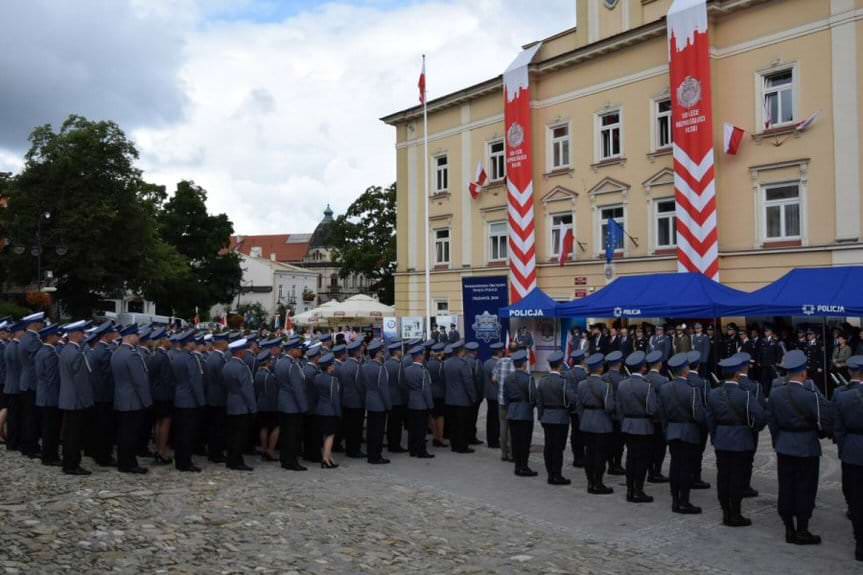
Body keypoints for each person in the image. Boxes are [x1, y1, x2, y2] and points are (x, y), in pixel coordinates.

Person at [767, 349, 833, 545]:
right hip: (806, 445)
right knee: (806, 487)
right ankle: (802, 529)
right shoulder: (810, 394)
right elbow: (825, 419)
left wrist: (778, 440)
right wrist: (821, 433)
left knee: (786, 487)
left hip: (784, 445)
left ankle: (788, 528)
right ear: (803, 372)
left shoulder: (775, 393)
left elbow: (772, 422)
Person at [706, 355, 767, 527]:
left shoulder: (713, 393)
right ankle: (736, 513)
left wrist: (715, 435)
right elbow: (760, 417)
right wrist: (753, 428)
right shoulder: (745, 394)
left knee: (723, 477)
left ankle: (726, 513)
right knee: (737, 478)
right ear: (737, 374)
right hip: (741, 439)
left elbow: (709, 419)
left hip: (722, 439)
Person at [659, 353, 706, 514]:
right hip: (688, 432)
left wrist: (666, 429)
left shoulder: (664, 388)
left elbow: (662, 413)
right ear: (686, 370)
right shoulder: (692, 390)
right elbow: (698, 415)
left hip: (672, 430)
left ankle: (674, 500)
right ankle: (684, 501)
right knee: (685, 468)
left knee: (675, 466)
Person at [833, 355, 863, 561]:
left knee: (855, 498)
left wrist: (845, 448)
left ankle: (860, 542)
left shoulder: (840, 394)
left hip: (851, 450)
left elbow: (837, 428)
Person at [111, 324, 152, 474]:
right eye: (136, 335)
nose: (138, 338)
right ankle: (129, 463)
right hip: (133, 400)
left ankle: (124, 462)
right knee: (130, 434)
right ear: (130, 337)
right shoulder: (132, 355)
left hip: (120, 398)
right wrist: (147, 402)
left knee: (123, 433)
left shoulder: (117, 352)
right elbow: (140, 381)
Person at [616, 351, 657, 503]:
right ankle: (638, 491)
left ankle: (630, 490)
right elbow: (652, 409)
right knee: (641, 460)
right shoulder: (646, 386)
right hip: (643, 426)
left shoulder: (622, 384)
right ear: (643, 368)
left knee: (630, 458)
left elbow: (619, 407)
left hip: (627, 425)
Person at [576, 353, 616, 494]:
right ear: (600, 369)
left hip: (586, 421)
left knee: (589, 453)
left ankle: (590, 482)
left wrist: (584, 418)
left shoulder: (581, 384)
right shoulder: (605, 386)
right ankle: (598, 483)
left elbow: (578, 406)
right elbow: (609, 407)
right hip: (601, 422)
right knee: (600, 454)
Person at [58, 321, 94, 475]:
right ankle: (72, 464)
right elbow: (81, 381)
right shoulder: (76, 353)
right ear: (76, 334)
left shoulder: (66, 350)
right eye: (82, 333)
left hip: (67, 397)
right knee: (74, 434)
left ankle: (68, 462)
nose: (84, 336)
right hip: (76, 399)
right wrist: (87, 400)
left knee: (69, 433)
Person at [171, 330, 205, 472]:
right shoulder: (190, 358)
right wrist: (201, 402)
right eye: (193, 342)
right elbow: (195, 381)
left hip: (179, 397)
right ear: (188, 343)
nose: (194, 344)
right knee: (187, 433)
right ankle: (185, 462)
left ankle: (180, 460)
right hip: (190, 400)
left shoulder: (176, 356)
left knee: (180, 432)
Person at [222, 337, 256, 471]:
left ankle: (232, 459)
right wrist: (253, 407)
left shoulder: (227, 365)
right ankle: (237, 461)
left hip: (231, 401)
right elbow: (247, 390)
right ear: (240, 352)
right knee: (240, 435)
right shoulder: (242, 367)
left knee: (232, 434)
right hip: (242, 405)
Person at [536, 351, 569, 485]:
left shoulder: (542, 381)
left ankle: (550, 473)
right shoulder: (563, 382)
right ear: (560, 365)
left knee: (548, 446)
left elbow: (539, 401)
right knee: (558, 448)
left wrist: (541, 416)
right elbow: (568, 400)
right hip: (560, 417)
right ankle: (557, 474)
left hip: (547, 417)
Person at [276, 338, 309, 470]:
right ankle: (291, 461)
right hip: (293, 404)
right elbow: (298, 388)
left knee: (285, 434)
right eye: (298, 349)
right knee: (292, 435)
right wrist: (304, 407)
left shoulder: (280, 362)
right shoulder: (292, 365)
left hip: (283, 402)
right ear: (292, 350)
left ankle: (284, 459)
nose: (300, 351)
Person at [503, 350, 536, 477]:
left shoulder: (508, 378)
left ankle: (518, 466)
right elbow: (533, 397)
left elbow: (505, 397)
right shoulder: (528, 378)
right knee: (525, 441)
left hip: (512, 411)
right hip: (525, 412)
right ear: (523, 364)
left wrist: (510, 407)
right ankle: (524, 466)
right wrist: (529, 406)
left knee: (515, 441)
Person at [18, 312, 46, 459]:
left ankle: (26, 445)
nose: (43, 325)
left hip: (26, 380)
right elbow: (38, 360)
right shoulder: (33, 340)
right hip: (32, 382)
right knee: (32, 417)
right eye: (41, 322)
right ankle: (31, 447)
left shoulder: (25, 338)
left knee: (28, 416)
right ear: (35, 324)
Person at [34, 324, 62, 467]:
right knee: (51, 429)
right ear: (50, 337)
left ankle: (47, 455)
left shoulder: (41, 351)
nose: (59, 338)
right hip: (50, 397)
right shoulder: (51, 353)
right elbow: (53, 379)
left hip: (42, 394)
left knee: (47, 428)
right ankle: (50, 456)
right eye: (57, 335)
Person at [444, 341, 477, 454]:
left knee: (453, 424)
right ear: (461, 351)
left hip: (449, 399)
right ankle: (462, 446)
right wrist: (473, 397)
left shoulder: (446, 363)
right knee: (462, 425)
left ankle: (454, 445)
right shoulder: (463, 364)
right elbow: (468, 382)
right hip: (462, 400)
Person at [686, 351, 712, 490]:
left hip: (683, 422)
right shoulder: (703, 382)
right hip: (698, 425)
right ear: (698, 366)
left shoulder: (681, 381)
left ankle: (686, 476)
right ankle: (695, 477)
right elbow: (708, 404)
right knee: (697, 452)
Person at [363, 340, 391, 464]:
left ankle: (371, 454)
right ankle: (376, 456)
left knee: (371, 430)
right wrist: (388, 405)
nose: (383, 353)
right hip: (379, 403)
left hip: (369, 401)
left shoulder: (364, 366)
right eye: (381, 351)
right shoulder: (380, 369)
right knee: (378, 432)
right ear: (378, 354)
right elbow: (383, 389)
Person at [404, 345, 434, 458]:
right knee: (421, 429)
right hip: (421, 404)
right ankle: (421, 451)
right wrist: (430, 405)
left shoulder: (407, 370)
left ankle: (412, 450)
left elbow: (404, 386)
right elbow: (426, 390)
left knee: (412, 429)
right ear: (420, 356)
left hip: (411, 402)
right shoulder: (423, 371)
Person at [204, 333, 229, 464]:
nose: (228, 344)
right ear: (221, 343)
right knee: (217, 427)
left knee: (214, 427)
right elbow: (222, 379)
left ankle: (214, 452)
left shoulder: (212, 356)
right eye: (226, 341)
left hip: (212, 395)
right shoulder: (219, 359)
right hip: (218, 396)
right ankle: (216, 453)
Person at [645, 351, 670, 483]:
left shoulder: (644, 378)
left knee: (649, 446)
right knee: (659, 447)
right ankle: (656, 471)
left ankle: (650, 470)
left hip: (647, 418)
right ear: (659, 364)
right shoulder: (663, 380)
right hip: (660, 419)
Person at [339, 340, 366, 458]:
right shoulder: (357, 367)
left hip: (346, 400)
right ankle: (355, 450)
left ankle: (349, 449)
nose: (361, 352)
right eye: (360, 350)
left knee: (349, 427)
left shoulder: (343, 365)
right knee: (356, 428)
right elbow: (360, 385)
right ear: (356, 353)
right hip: (356, 401)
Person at [492, 342, 518, 461]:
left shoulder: (499, 362)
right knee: (513, 428)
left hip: (502, 399)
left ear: (508, 350)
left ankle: (504, 453)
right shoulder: (517, 364)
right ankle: (512, 454)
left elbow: (494, 379)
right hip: (513, 401)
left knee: (503, 426)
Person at [315, 353, 340, 469]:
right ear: (329, 366)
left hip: (320, 409)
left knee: (325, 434)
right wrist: (338, 413)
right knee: (330, 435)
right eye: (333, 365)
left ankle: (328, 457)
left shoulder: (317, 377)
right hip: (330, 411)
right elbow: (334, 399)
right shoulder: (332, 380)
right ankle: (325, 458)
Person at [254, 347, 279, 461]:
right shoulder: (270, 376)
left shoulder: (257, 374)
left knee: (263, 427)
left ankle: (264, 449)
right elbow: (273, 393)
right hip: (271, 404)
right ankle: (270, 450)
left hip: (260, 403)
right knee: (275, 427)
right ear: (268, 362)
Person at [603, 351, 626, 476]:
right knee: (618, 443)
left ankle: (611, 464)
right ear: (619, 364)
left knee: (608, 441)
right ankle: (616, 465)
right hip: (618, 415)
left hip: (606, 414)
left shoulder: (604, 377)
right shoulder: (622, 378)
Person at [565, 349, 587, 468]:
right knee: (584, 434)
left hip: (573, 409)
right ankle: (583, 457)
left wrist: (575, 403)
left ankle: (577, 457)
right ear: (583, 361)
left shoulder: (568, 373)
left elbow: (568, 393)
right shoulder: (585, 374)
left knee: (575, 433)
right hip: (585, 409)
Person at [383, 342, 406, 454]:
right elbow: (401, 383)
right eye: (400, 350)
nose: (401, 352)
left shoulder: (386, 364)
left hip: (388, 396)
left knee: (391, 423)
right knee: (397, 424)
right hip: (397, 397)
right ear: (396, 352)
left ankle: (390, 443)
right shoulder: (399, 365)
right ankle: (395, 445)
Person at [302, 346, 323, 463]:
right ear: (316, 358)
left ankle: (307, 453)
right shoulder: (314, 371)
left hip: (307, 404)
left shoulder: (305, 368)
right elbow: (317, 389)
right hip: (314, 405)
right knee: (314, 432)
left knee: (307, 432)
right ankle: (314, 455)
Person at [483, 343, 504, 449]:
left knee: (490, 418)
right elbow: (496, 380)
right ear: (499, 352)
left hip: (489, 394)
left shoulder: (487, 362)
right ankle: (493, 441)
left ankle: (491, 439)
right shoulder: (497, 364)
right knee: (495, 420)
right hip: (496, 394)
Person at [427, 343, 447, 447]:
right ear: (440, 352)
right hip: (440, 393)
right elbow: (444, 380)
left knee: (432, 416)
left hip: (430, 392)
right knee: (440, 416)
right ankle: (439, 438)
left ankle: (434, 436)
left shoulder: (428, 363)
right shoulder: (441, 365)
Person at [758, 325, 782, 396]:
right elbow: (760, 352)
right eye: (765, 331)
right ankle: (765, 394)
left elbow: (779, 353)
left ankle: (773, 394)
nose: (765, 332)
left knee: (773, 380)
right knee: (764, 380)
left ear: (771, 332)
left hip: (772, 364)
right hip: (764, 364)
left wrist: (778, 362)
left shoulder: (775, 341)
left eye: (767, 331)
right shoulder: (762, 340)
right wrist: (759, 361)